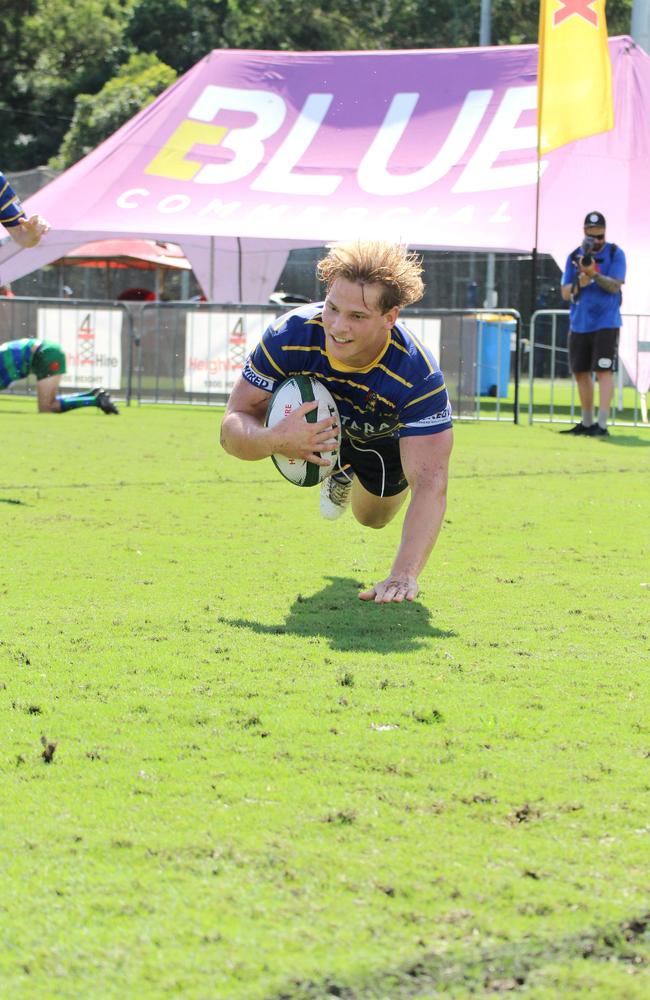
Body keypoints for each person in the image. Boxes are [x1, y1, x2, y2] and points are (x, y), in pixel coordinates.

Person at [221, 240, 453, 604]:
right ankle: (337, 461)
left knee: (372, 519)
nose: (337, 326)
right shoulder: (290, 335)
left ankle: (344, 469)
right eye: (332, 308)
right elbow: (231, 428)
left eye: (357, 317)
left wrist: (403, 575)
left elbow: (430, 483)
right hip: (308, 427)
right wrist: (275, 439)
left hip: (380, 440)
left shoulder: (416, 374)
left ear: (390, 317)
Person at [560, 211, 626, 437]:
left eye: (600, 236)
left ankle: (602, 424)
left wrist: (594, 274)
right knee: (580, 372)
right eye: (592, 235)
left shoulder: (616, 253)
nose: (596, 241)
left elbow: (615, 286)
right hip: (579, 323)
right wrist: (582, 279)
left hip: (606, 323)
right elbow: (566, 293)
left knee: (603, 370)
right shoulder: (574, 256)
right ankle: (586, 423)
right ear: (585, 232)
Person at [0, 338, 119, 413]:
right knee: (50, 403)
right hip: (46, 351)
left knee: (46, 408)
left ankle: (96, 401)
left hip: (45, 354)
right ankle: (90, 395)